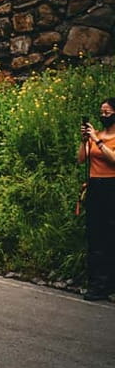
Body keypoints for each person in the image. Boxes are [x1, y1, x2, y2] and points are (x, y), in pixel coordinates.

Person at [78, 99, 115, 301]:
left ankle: (109, 283)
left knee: (110, 235)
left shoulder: (104, 139)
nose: (104, 116)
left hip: (112, 187)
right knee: (95, 235)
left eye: (108, 112)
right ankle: (96, 283)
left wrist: (98, 142)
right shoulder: (96, 136)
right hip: (95, 186)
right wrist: (85, 140)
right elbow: (81, 158)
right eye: (102, 112)